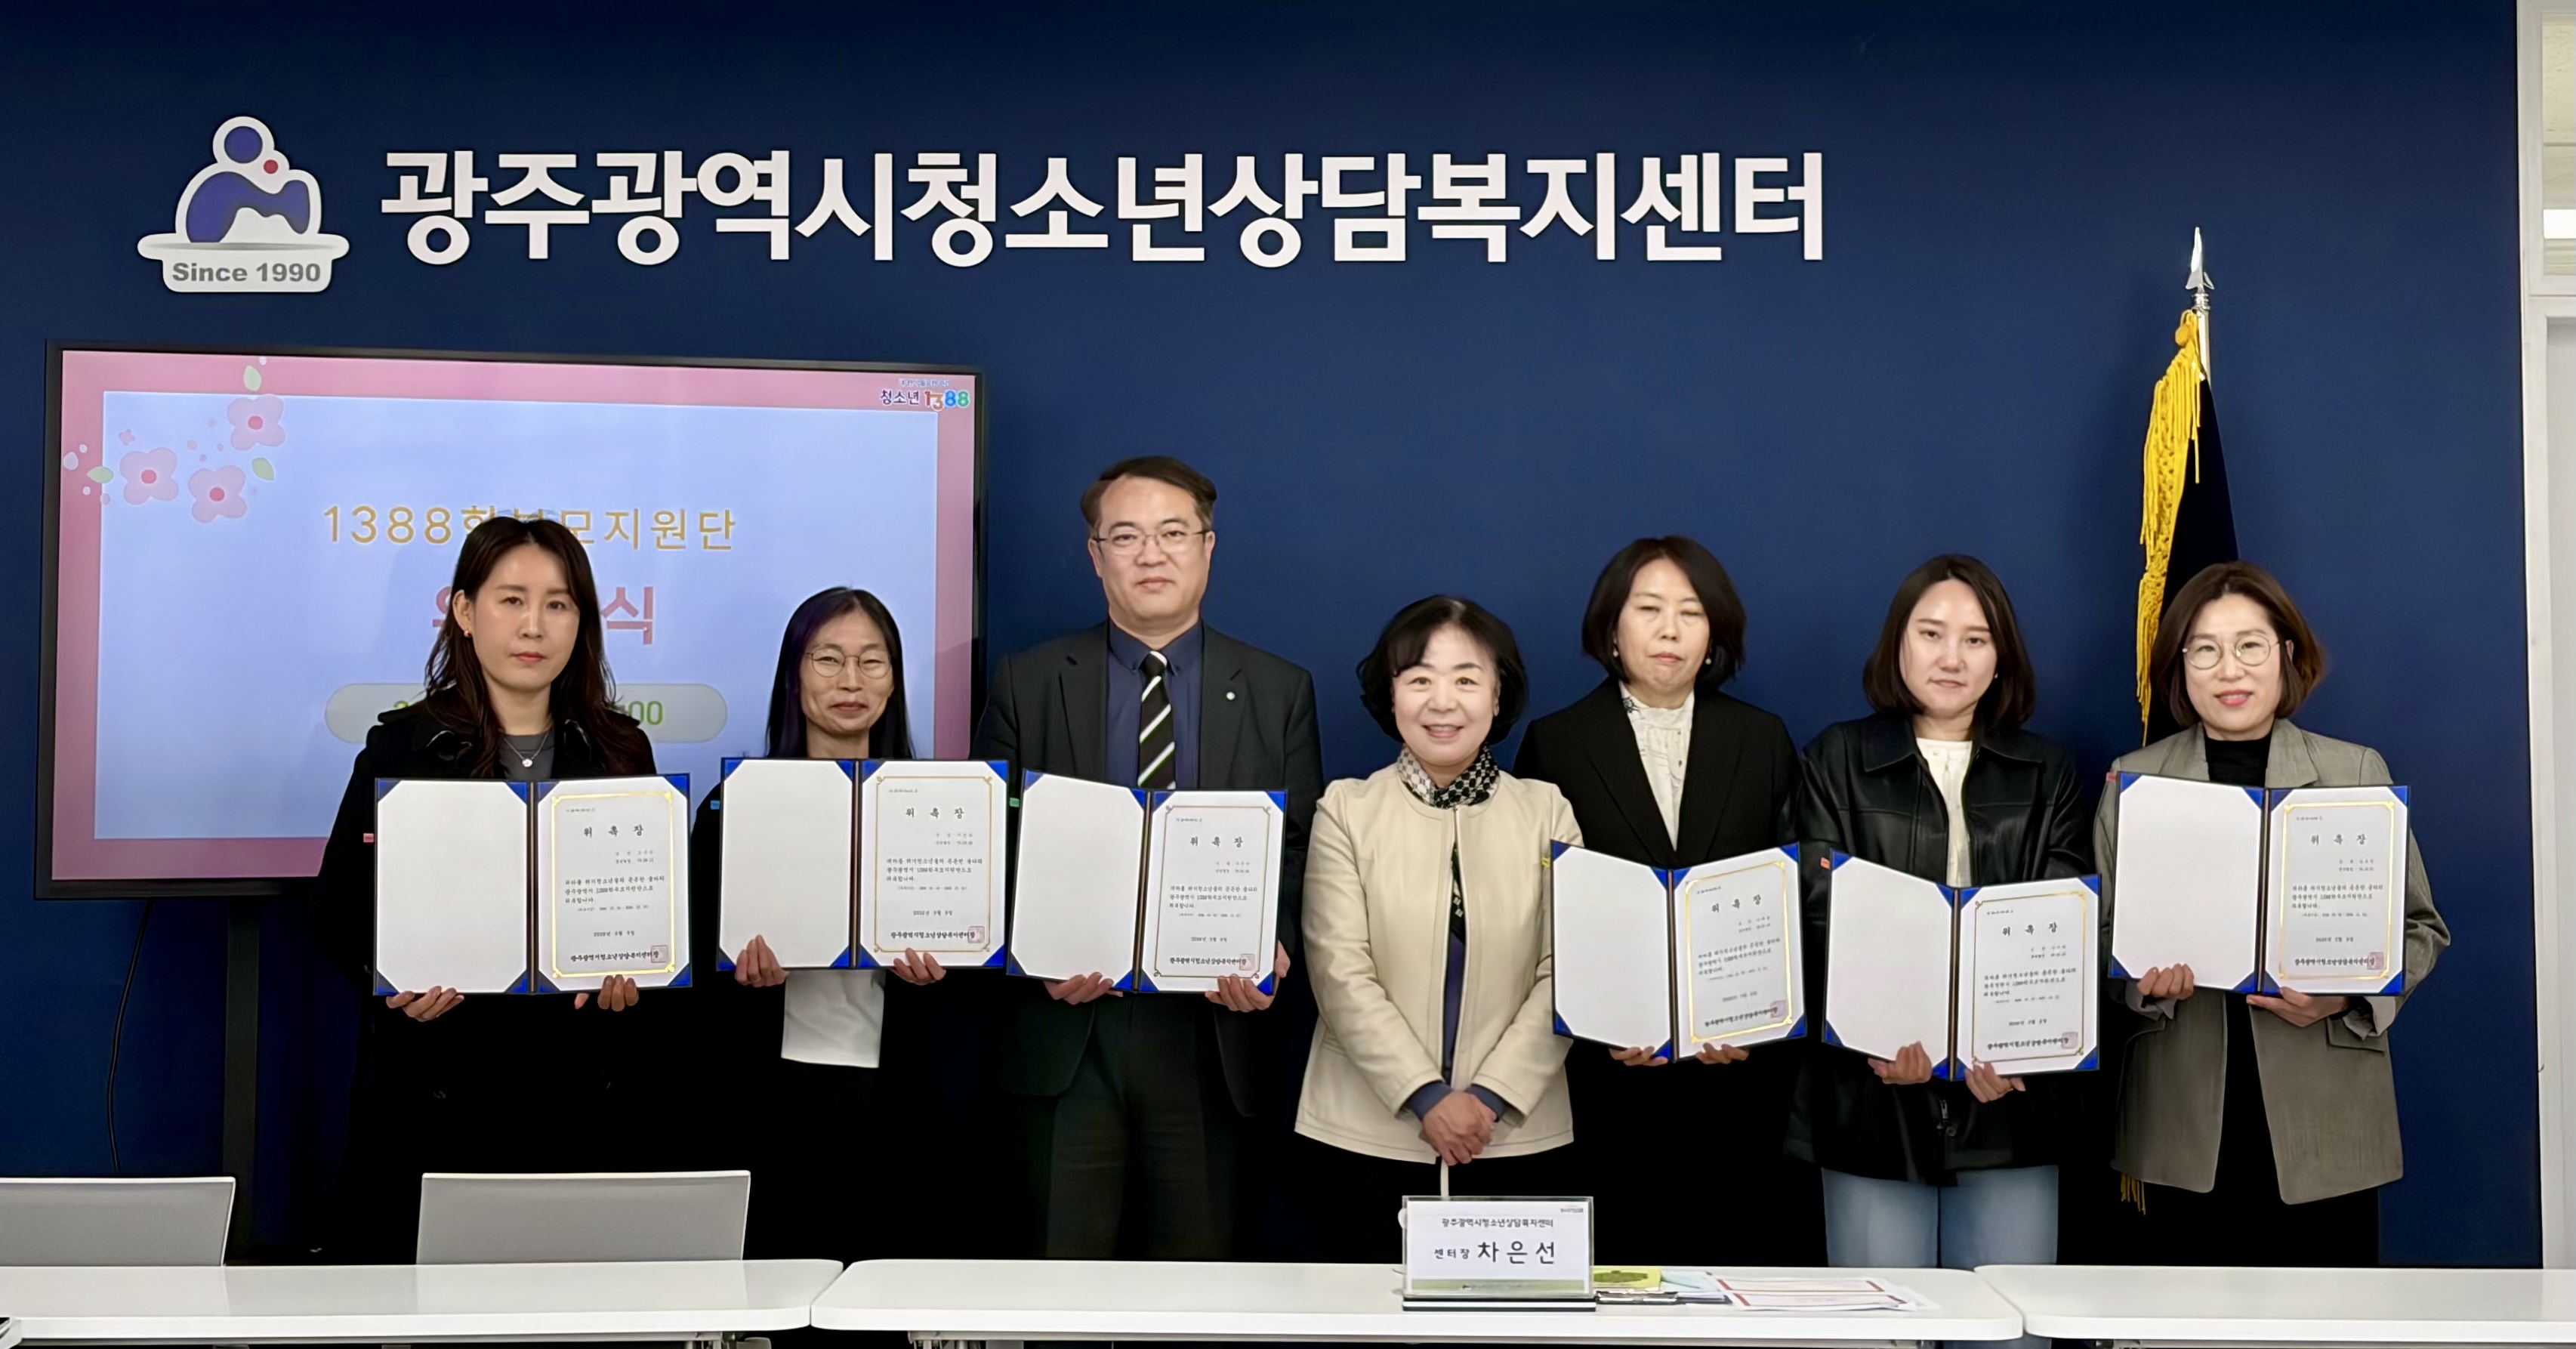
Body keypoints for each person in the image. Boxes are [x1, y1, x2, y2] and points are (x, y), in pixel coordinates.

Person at [975, 455, 1323, 1260]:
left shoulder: (1278, 688)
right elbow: (991, 840)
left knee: (1198, 1288)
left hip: (1211, 1036)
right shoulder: (1030, 680)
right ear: (1095, 555)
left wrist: (1273, 942)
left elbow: (1299, 843)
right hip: (1068, 1030)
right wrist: (1033, 953)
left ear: (1208, 546)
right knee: (1058, 1281)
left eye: (1172, 533)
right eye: (1125, 536)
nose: (1151, 554)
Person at [313, 517, 661, 1261]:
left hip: (579, 1088)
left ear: (582, 622)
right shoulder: (401, 748)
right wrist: (393, 983)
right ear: (466, 612)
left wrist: (637, 974)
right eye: (512, 600)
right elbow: (337, 914)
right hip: (437, 1084)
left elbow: (649, 914)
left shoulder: (621, 750)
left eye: (558, 604)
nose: (534, 625)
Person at [2102, 561, 2448, 1265]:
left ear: (2286, 654)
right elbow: (2101, 939)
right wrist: (2141, 985)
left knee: (2325, 1317)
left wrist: (2346, 996)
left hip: (2327, 1120)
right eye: (2204, 649)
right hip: (2182, 1119)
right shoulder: (2134, 780)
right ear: (2180, 667)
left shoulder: (2354, 771)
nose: (2228, 669)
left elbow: (2420, 928)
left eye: (2250, 645)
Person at [1512, 536, 1823, 1264]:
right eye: (1648, 609)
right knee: (1620, 1277)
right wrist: (1598, 1023)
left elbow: (1792, 899)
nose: (1669, 630)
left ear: (1715, 633)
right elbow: (1539, 910)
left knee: (1732, 1274)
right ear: (1610, 627)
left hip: (1736, 1080)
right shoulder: (1557, 742)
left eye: (1691, 612)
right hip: (1608, 1079)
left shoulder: (1760, 738)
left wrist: (1759, 1024)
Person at [1787, 554, 2086, 1298]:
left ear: (2000, 657)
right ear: (1898, 643)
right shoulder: (1836, 758)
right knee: (1884, 1325)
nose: (1952, 657)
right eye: (1931, 633)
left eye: (1975, 639)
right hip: (1871, 1097)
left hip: (2010, 1100)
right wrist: (1881, 1034)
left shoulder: (2048, 772)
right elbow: (1812, 915)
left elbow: (2066, 925)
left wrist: (2012, 1047)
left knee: (2012, 1324)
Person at [1298, 595, 1581, 1261]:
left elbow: (1567, 970)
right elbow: (1340, 972)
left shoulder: (1547, 812)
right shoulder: (1346, 810)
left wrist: (1488, 1099)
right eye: (1419, 679)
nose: (1442, 702)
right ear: (1390, 693)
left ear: (1497, 694)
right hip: (1365, 1131)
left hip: (1512, 1134)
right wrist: (1426, 1097)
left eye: (1466, 679)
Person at [687, 587, 946, 1261]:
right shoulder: (734, 805)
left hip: (896, 1095)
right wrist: (740, 978)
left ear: (894, 679)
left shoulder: (938, 807)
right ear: (792, 676)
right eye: (827, 659)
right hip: (773, 1094)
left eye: (872, 661)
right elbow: (690, 968)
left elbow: (979, 972)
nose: (850, 681)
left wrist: (938, 974)